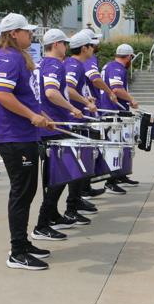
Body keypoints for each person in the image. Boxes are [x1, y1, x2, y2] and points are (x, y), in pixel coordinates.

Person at [0, 13, 52, 271]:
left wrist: (42, 116)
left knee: (28, 191)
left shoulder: (18, 57)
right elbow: (3, 95)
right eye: (27, 31)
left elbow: (24, 96)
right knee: (21, 191)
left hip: (23, 134)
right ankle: (17, 251)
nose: (31, 34)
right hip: (13, 135)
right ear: (14, 33)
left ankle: (23, 244)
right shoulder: (8, 57)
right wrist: (31, 116)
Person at [33, 29, 89, 241]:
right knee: (59, 176)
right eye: (64, 43)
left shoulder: (41, 64)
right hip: (54, 127)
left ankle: (53, 215)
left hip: (49, 126)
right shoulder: (55, 64)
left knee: (56, 176)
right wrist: (72, 108)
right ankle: (42, 224)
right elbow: (50, 92)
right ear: (56, 44)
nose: (66, 47)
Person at [63, 30, 100, 224]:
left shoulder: (75, 64)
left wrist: (86, 98)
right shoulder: (75, 65)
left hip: (78, 119)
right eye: (91, 46)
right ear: (84, 48)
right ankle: (72, 207)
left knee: (82, 165)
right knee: (77, 166)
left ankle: (76, 202)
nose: (93, 48)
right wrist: (86, 103)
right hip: (74, 120)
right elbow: (68, 89)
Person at [78, 27, 117, 201]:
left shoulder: (87, 58)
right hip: (87, 110)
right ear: (88, 45)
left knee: (89, 151)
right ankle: (82, 191)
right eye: (95, 41)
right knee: (87, 151)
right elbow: (94, 78)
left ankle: (85, 188)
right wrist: (109, 91)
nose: (98, 44)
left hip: (88, 106)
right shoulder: (89, 59)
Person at [99, 44, 140, 193]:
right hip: (112, 111)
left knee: (122, 145)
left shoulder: (109, 65)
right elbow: (116, 88)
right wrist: (131, 100)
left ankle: (120, 175)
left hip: (113, 110)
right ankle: (110, 181)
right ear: (128, 56)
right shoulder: (117, 68)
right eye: (131, 57)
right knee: (115, 146)